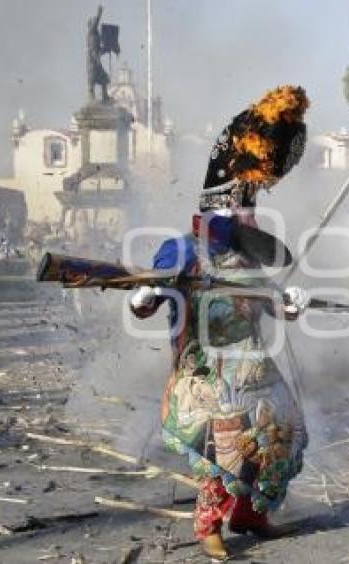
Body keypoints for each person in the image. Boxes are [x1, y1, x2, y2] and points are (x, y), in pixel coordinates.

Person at [129, 86, 311, 559]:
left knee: (280, 432)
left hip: (253, 364)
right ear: (219, 206)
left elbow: (273, 306)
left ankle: (251, 514)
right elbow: (145, 304)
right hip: (204, 370)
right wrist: (144, 297)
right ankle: (209, 523)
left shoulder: (250, 255)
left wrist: (291, 301)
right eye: (239, 205)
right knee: (224, 447)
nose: (247, 212)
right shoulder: (181, 249)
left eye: (249, 205)